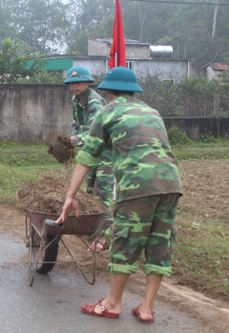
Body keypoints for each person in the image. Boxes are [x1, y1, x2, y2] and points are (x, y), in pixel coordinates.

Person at [53, 67, 182, 323]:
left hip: (138, 185)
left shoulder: (106, 111)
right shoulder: (151, 111)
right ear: (134, 91)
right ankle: (146, 309)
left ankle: (112, 304)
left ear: (108, 92)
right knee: (160, 243)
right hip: (171, 182)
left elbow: (87, 158)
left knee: (126, 240)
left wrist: (70, 196)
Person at [64, 65, 115, 252]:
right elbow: (76, 125)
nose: (74, 86)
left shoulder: (95, 103)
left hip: (106, 153)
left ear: (87, 82)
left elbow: (96, 132)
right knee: (90, 191)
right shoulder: (76, 100)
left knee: (103, 195)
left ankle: (103, 237)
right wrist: (72, 137)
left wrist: (74, 141)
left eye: (78, 82)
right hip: (91, 152)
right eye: (70, 83)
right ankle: (92, 230)